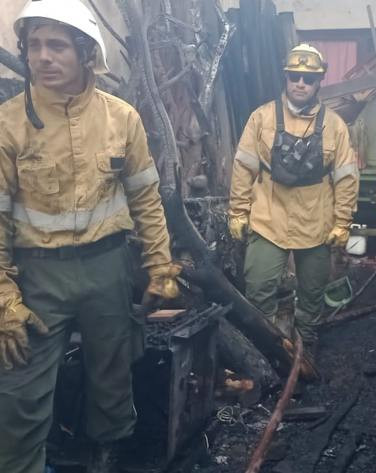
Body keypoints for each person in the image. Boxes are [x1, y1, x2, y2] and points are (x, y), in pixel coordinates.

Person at [0, 1, 179, 471]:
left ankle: (106, 457)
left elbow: (146, 199)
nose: (43, 57)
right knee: (19, 389)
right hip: (36, 277)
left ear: (85, 53)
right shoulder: (8, 124)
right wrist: (4, 299)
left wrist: (160, 267)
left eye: (57, 46)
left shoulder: (122, 119)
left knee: (113, 377)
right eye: (34, 45)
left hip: (107, 269)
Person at [228, 44, 359, 354]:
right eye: (295, 77)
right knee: (259, 287)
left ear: (319, 82)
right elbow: (244, 167)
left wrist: (343, 222)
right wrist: (238, 212)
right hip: (268, 217)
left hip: (316, 222)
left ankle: (306, 346)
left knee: (313, 292)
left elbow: (346, 177)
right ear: (286, 78)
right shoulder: (261, 118)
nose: (301, 84)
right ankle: (267, 349)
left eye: (308, 79)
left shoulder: (335, 126)